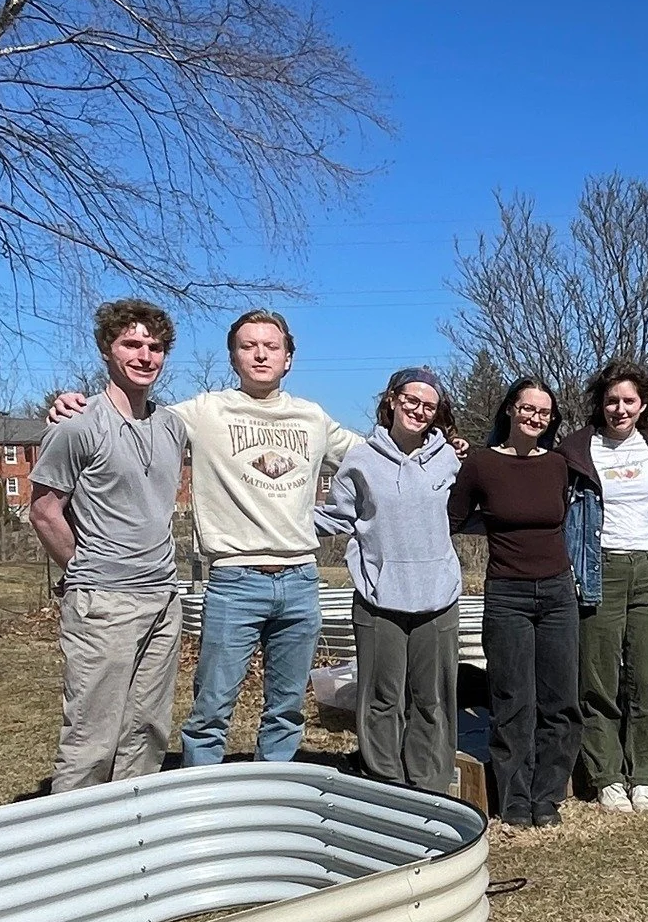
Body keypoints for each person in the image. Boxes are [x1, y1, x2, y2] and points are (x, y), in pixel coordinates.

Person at [49, 309, 363, 764]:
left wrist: (439, 444)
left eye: (271, 346)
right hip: (235, 583)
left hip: (300, 580)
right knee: (211, 709)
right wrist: (72, 404)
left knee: (288, 708)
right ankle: (202, 803)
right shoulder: (201, 413)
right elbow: (128, 415)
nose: (260, 354)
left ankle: (270, 796)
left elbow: (375, 455)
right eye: (248, 346)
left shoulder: (312, 418)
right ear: (233, 357)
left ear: (288, 358)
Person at [29, 299, 189, 791]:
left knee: (148, 730)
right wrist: (82, 568)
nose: (145, 356)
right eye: (132, 344)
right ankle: (73, 841)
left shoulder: (171, 425)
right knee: (92, 736)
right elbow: (44, 510)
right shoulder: (77, 425)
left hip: (163, 599)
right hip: (104, 603)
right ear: (107, 349)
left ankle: (130, 832)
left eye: (155, 347)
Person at [314, 368, 462, 793]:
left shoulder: (449, 458)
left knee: (432, 701)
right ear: (393, 400)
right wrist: (275, 521)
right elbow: (337, 515)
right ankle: (386, 786)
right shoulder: (361, 458)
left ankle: (430, 787)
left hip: (438, 598)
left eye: (429, 405)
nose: (418, 410)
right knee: (381, 699)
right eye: (411, 400)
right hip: (379, 600)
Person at [559, 361, 648, 815]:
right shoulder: (577, 448)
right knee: (597, 677)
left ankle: (647, 774)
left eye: (629, 401)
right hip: (601, 566)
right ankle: (607, 775)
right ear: (600, 403)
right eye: (612, 400)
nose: (620, 409)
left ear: (643, 405)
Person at [449, 376, 580, 827]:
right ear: (510, 410)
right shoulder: (482, 465)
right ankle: (515, 797)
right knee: (512, 697)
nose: (535, 418)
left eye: (544, 412)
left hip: (558, 591)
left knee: (559, 696)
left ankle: (548, 795)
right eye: (527, 409)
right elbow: (453, 517)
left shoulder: (561, 465)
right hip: (507, 593)